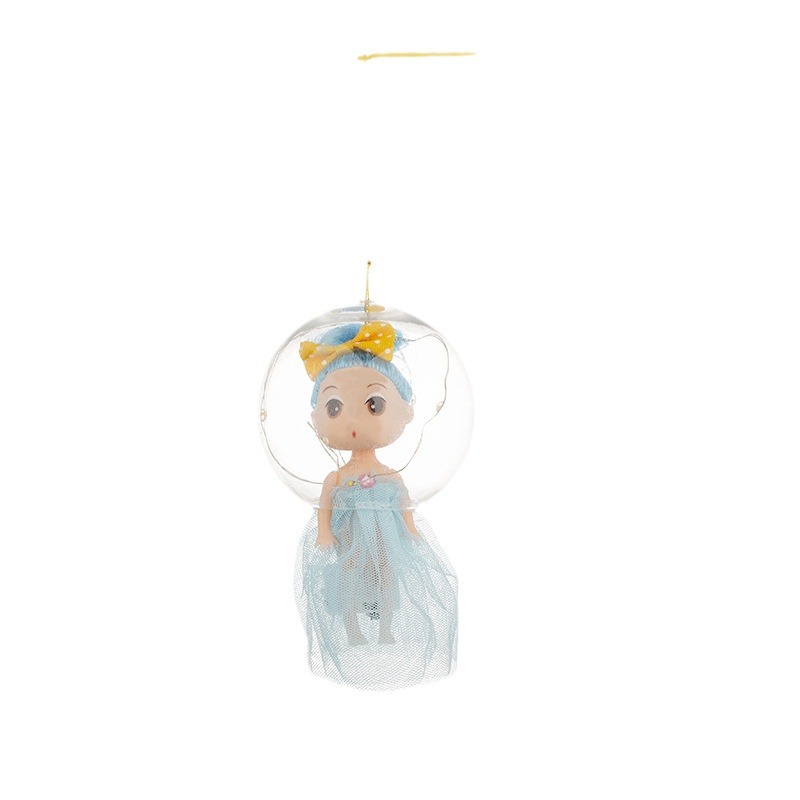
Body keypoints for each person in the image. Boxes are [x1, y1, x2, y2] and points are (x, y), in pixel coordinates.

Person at [296, 321, 458, 689]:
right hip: (349, 542)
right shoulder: (336, 479)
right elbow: (324, 508)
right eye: (334, 407)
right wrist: (324, 532)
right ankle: (352, 630)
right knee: (348, 582)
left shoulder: (390, 476)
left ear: (406, 411)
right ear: (316, 417)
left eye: (374, 405)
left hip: (386, 544)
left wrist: (411, 530)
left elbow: (404, 505)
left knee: (386, 579)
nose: (353, 422)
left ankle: (384, 627)